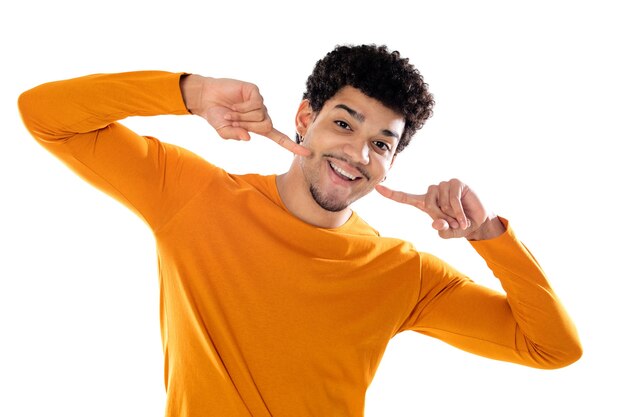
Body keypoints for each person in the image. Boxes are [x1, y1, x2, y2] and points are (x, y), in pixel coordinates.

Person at [18, 44, 581, 417]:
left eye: (381, 144)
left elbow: (552, 348)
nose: (358, 153)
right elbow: (44, 114)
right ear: (305, 119)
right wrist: (188, 93)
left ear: (391, 162)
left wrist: (488, 235)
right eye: (343, 123)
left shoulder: (403, 272)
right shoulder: (195, 197)